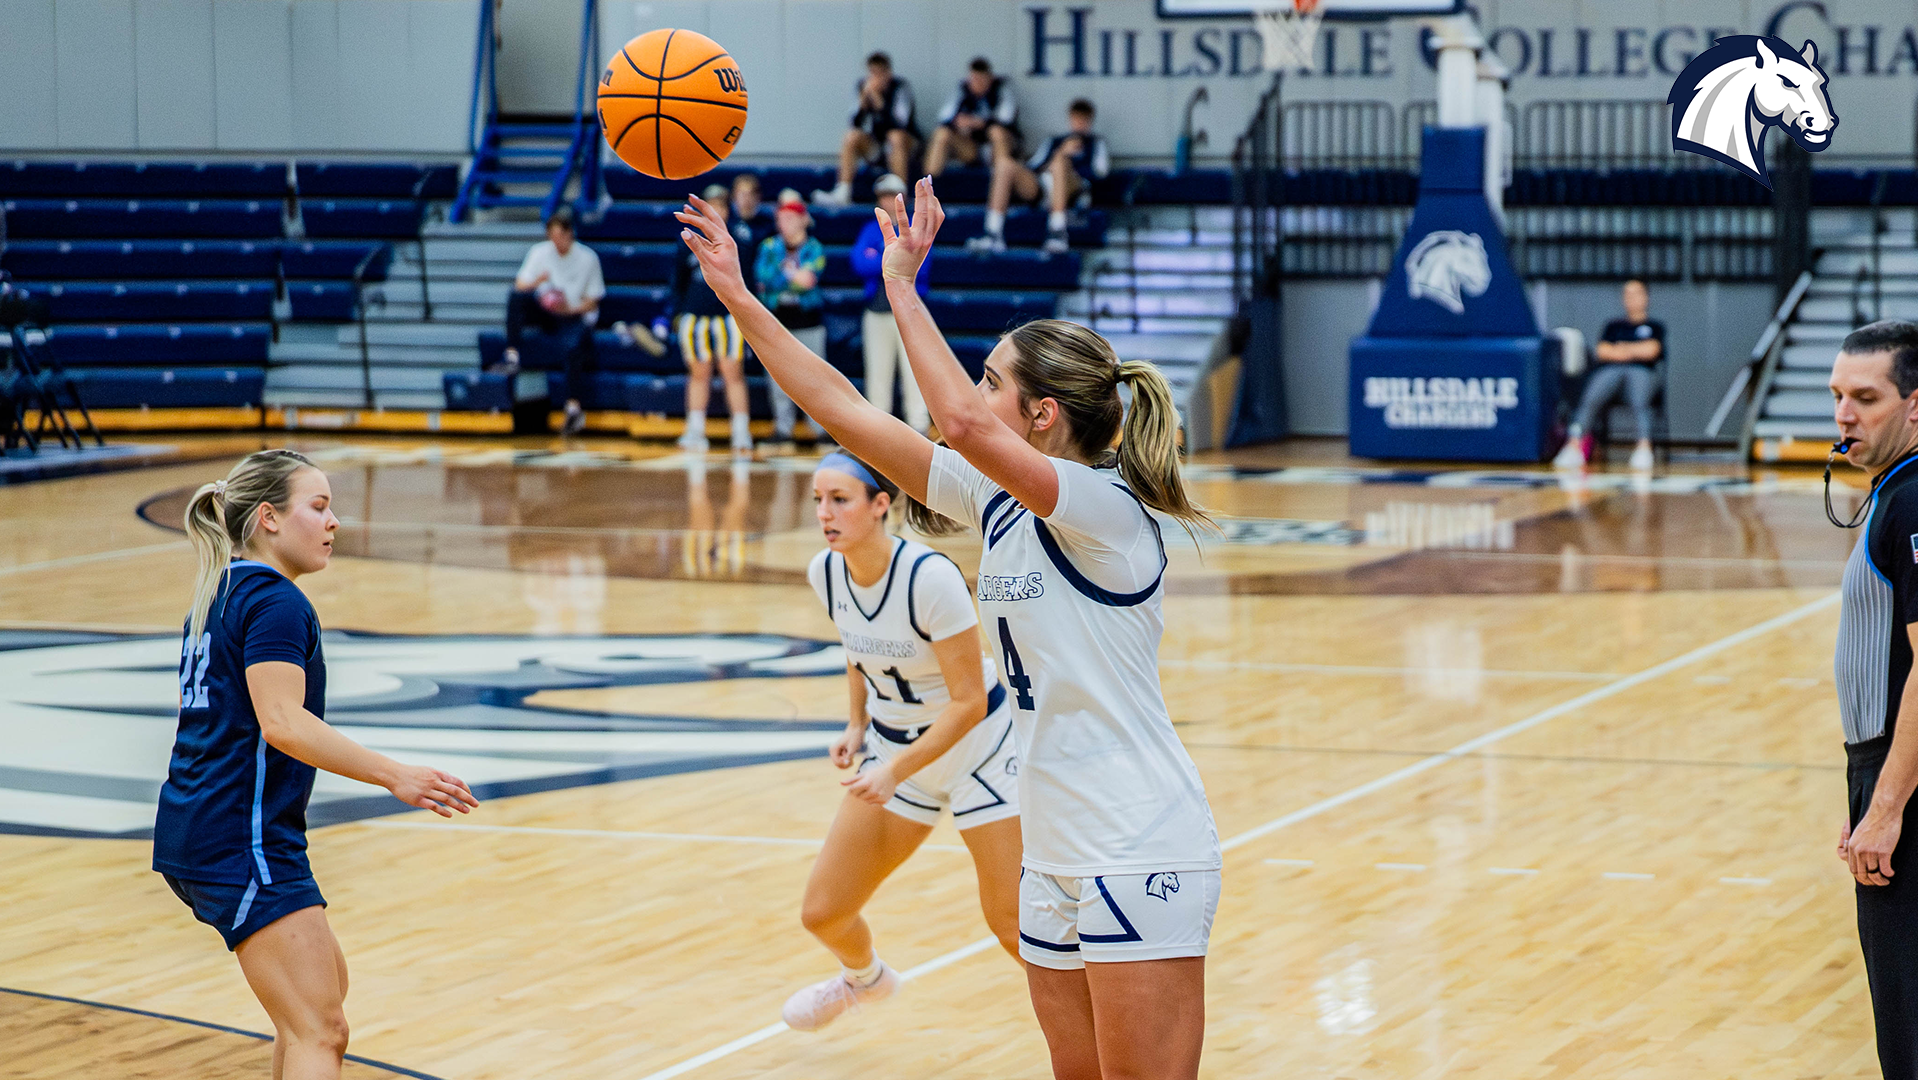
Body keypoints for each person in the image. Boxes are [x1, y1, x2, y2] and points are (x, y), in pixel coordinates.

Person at [676, 177, 1219, 1080]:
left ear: (1043, 415)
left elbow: (961, 425)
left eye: (993, 380)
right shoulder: (999, 502)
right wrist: (740, 298)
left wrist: (902, 288)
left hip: (1140, 838)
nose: (970, 393)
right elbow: (843, 408)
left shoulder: (1109, 508)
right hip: (1053, 844)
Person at [154, 449, 479, 1080]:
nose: (334, 523)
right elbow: (282, 723)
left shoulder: (223, 590)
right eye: (320, 506)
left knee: (318, 1005)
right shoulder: (276, 602)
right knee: (319, 1029)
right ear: (270, 517)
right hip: (237, 834)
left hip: (213, 826)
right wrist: (396, 775)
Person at [780, 450, 1022, 1032]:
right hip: (895, 748)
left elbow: (967, 701)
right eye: (818, 500)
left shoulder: (929, 578)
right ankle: (864, 980)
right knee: (824, 912)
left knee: (1013, 925)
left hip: (981, 751)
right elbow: (857, 649)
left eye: (839, 500)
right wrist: (856, 724)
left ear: (880, 504)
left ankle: (1111, 1028)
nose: (825, 513)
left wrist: (892, 770)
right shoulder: (827, 571)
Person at [1828, 319, 1918, 1080]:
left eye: (1866, 398)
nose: (1844, 417)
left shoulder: (1913, 503)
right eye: (1837, 397)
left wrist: (1885, 808)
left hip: (1905, 782)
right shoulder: (1894, 496)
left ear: (1916, 407)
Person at [505, 208, 605, 436]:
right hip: (546, 312)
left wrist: (569, 308)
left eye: (560, 236)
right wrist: (539, 282)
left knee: (572, 348)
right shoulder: (540, 252)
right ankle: (512, 351)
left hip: (573, 314)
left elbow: (593, 301)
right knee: (516, 298)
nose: (555, 242)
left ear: (570, 234)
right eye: (552, 237)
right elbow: (520, 285)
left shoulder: (588, 258)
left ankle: (573, 408)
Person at [672, 183, 753, 456]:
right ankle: (695, 430)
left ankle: (741, 432)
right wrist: (676, 313)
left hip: (729, 317)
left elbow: (748, 280)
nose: (717, 209)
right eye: (712, 204)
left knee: (733, 373)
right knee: (698, 374)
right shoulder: (688, 238)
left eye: (721, 204)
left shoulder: (740, 237)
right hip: (695, 316)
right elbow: (678, 281)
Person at [971, 98, 1108, 255]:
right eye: (1076, 119)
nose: (1079, 123)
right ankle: (993, 233)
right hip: (1043, 189)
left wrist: (1065, 161)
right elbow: (1033, 166)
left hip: (1073, 191)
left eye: (1084, 120)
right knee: (1004, 164)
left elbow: (1099, 173)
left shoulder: (1096, 143)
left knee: (1060, 164)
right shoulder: (1055, 141)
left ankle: (1058, 232)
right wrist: (1060, 152)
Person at [1554, 279, 1664, 472]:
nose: (1631, 299)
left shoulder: (1654, 326)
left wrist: (1622, 348)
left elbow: (1652, 350)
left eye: (1636, 294)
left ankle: (1643, 446)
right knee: (1593, 394)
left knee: (1639, 394)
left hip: (1642, 373)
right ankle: (1574, 445)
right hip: (1612, 372)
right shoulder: (1613, 326)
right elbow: (1602, 351)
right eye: (1627, 294)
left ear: (1646, 298)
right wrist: (1633, 350)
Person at [853, 174, 931, 433]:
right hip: (877, 311)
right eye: (884, 195)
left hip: (910, 311)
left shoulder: (915, 228)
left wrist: (882, 259)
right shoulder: (869, 229)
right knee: (878, 375)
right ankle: (880, 432)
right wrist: (894, 261)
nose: (888, 200)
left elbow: (920, 266)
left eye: (892, 194)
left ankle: (919, 428)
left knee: (915, 374)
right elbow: (858, 263)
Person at [755, 190, 828, 452]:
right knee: (778, 378)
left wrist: (784, 276)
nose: (783, 224)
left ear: (801, 220)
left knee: (814, 377)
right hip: (778, 322)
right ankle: (783, 430)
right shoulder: (768, 247)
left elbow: (808, 282)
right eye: (780, 219)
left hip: (808, 321)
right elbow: (763, 278)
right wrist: (793, 276)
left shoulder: (813, 248)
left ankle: (820, 430)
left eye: (789, 218)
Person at [812, 53, 918, 208]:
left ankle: (900, 195)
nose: (876, 78)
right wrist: (863, 103)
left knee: (895, 137)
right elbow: (854, 122)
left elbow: (900, 123)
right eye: (873, 73)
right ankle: (843, 191)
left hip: (903, 147)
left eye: (880, 73)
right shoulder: (863, 87)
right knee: (851, 136)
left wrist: (878, 100)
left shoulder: (901, 88)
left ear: (888, 73)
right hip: (877, 147)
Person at [925, 57, 1021, 177]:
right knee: (942, 133)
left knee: (997, 132)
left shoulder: (1002, 89)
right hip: (972, 149)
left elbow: (1006, 119)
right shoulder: (962, 90)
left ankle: (1001, 180)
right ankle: (927, 184)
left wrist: (979, 123)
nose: (978, 83)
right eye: (974, 79)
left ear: (990, 78)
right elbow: (944, 118)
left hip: (999, 148)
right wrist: (959, 122)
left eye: (982, 79)